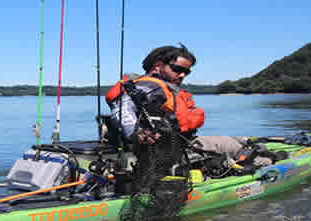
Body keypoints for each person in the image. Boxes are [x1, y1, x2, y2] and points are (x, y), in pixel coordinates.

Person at [105, 44, 275, 177]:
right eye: (178, 69)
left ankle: (247, 145)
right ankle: (268, 164)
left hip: (180, 145)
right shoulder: (149, 86)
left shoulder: (150, 86)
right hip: (174, 152)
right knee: (232, 145)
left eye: (187, 71)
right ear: (158, 66)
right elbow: (122, 109)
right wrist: (137, 133)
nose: (182, 75)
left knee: (235, 141)